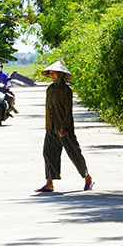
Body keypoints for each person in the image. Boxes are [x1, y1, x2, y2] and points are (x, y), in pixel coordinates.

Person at [35, 60, 93, 192]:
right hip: (51, 127)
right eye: (50, 73)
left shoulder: (65, 90)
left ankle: (87, 177)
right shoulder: (50, 89)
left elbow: (68, 110)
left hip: (64, 129)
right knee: (48, 153)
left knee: (74, 153)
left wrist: (64, 127)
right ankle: (49, 183)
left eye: (54, 73)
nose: (51, 75)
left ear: (61, 74)